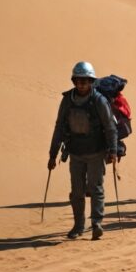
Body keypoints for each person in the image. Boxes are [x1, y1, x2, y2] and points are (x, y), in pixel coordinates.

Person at [48, 61, 118, 241]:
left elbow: (110, 126)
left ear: (91, 81)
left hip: (96, 152)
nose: (81, 84)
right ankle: (79, 225)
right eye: (78, 81)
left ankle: (96, 223)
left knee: (96, 188)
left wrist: (113, 150)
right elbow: (59, 126)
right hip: (76, 152)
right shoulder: (68, 100)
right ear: (74, 81)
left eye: (85, 81)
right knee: (77, 192)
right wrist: (53, 154)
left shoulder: (99, 100)